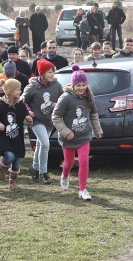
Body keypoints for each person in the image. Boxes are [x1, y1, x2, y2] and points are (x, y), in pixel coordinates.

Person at [52, 65, 103, 201]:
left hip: (84, 135)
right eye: (78, 85)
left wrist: (97, 130)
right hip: (68, 137)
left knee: (84, 161)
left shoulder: (89, 96)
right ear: (73, 85)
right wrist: (66, 131)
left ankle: (82, 189)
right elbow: (56, 117)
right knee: (68, 163)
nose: (81, 88)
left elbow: (93, 114)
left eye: (83, 85)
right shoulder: (66, 98)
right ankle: (65, 175)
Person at [22, 59, 63, 184]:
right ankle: (43, 173)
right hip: (36, 120)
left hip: (50, 121)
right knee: (45, 144)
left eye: (52, 72)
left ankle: (34, 169)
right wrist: (28, 111)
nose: (52, 74)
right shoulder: (32, 87)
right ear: (42, 73)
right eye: (49, 72)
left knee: (41, 145)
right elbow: (23, 101)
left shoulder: (57, 85)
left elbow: (63, 99)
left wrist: (57, 105)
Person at [0, 79, 28, 189]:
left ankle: (12, 182)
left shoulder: (21, 105)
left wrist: (29, 119)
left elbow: (26, 121)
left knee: (16, 163)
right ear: (10, 91)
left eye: (20, 89)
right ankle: (2, 166)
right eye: (17, 90)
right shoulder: (0, 106)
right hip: (5, 138)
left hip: (18, 139)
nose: (19, 92)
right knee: (10, 156)